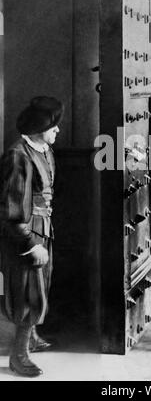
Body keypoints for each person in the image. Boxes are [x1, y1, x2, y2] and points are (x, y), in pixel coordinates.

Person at [0, 96, 64, 377]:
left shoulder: (43, 149)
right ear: (40, 127)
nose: (57, 131)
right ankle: (18, 355)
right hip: (25, 234)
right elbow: (11, 210)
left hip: (43, 228)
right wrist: (30, 244)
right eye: (54, 126)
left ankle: (32, 337)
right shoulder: (18, 155)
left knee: (41, 286)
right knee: (27, 293)